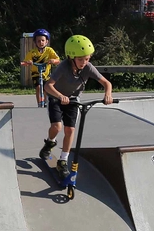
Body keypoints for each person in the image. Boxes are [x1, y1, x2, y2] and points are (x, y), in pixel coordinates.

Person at [40, 35, 113, 179]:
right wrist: (60, 96)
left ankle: (63, 160)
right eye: (80, 59)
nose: (84, 62)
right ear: (71, 57)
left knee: (70, 129)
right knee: (57, 127)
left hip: (73, 101)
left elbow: (107, 83)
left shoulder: (88, 67)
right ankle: (50, 142)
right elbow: (48, 86)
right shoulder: (63, 67)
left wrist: (108, 94)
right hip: (56, 98)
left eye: (87, 59)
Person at [22, 29, 60, 106]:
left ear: (46, 41)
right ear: (35, 42)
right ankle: (39, 103)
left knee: (46, 88)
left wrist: (53, 60)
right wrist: (28, 62)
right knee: (39, 87)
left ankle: (45, 102)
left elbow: (58, 60)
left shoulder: (49, 50)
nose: (41, 42)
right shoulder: (32, 52)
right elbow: (24, 62)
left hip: (46, 74)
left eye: (43, 40)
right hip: (36, 74)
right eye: (38, 41)